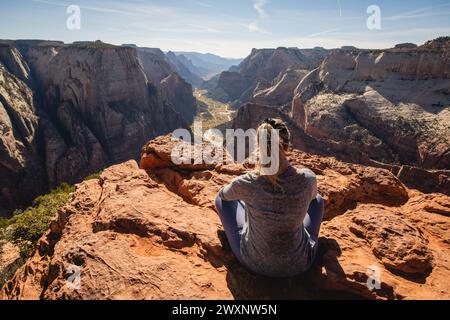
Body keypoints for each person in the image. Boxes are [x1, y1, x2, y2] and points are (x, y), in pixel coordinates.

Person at [215, 118, 324, 277]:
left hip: (254, 263)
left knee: (221, 200)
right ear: (286, 146)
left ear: (259, 146)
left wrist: (247, 198)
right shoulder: (307, 179)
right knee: (318, 200)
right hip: (300, 264)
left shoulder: (248, 182)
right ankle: (309, 239)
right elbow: (313, 198)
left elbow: (223, 195)